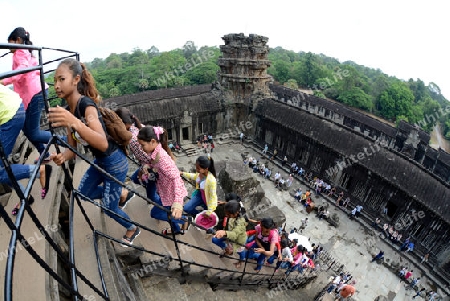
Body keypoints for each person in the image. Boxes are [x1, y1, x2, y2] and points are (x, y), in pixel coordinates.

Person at [48, 58, 139, 246]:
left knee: (108, 207)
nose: (56, 85)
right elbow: (72, 148)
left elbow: (102, 142)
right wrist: (62, 156)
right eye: (54, 81)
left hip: (114, 162)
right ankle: (121, 193)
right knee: (82, 193)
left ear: (75, 80)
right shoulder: (69, 110)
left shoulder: (86, 106)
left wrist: (74, 122)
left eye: (61, 79)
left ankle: (132, 227)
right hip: (101, 162)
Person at [1, 27, 52, 161]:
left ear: (17, 40)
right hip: (37, 92)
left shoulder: (20, 51)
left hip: (35, 93)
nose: (8, 48)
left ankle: (67, 141)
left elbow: (22, 69)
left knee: (33, 133)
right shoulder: (26, 51)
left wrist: (4, 80)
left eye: (10, 43)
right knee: (26, 127)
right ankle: (44, 153)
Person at [0, 85, 52, 215]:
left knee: (0, 170)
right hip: (13, 107)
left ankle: (40, 171)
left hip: (8, 115)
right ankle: (25, 195)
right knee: (2, 166)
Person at [136, 126, 189, 235]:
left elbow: (177, 178)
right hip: (165, 191)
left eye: (142, 145)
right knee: (167, 212)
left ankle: (184, 220)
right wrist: (148, 165)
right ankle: (176, 229)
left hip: (171, 194)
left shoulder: (162, 158)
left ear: (153, 141)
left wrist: (178, 203)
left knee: (155, 213)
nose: (141, 148)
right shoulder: (155, 151)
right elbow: (155, 164)